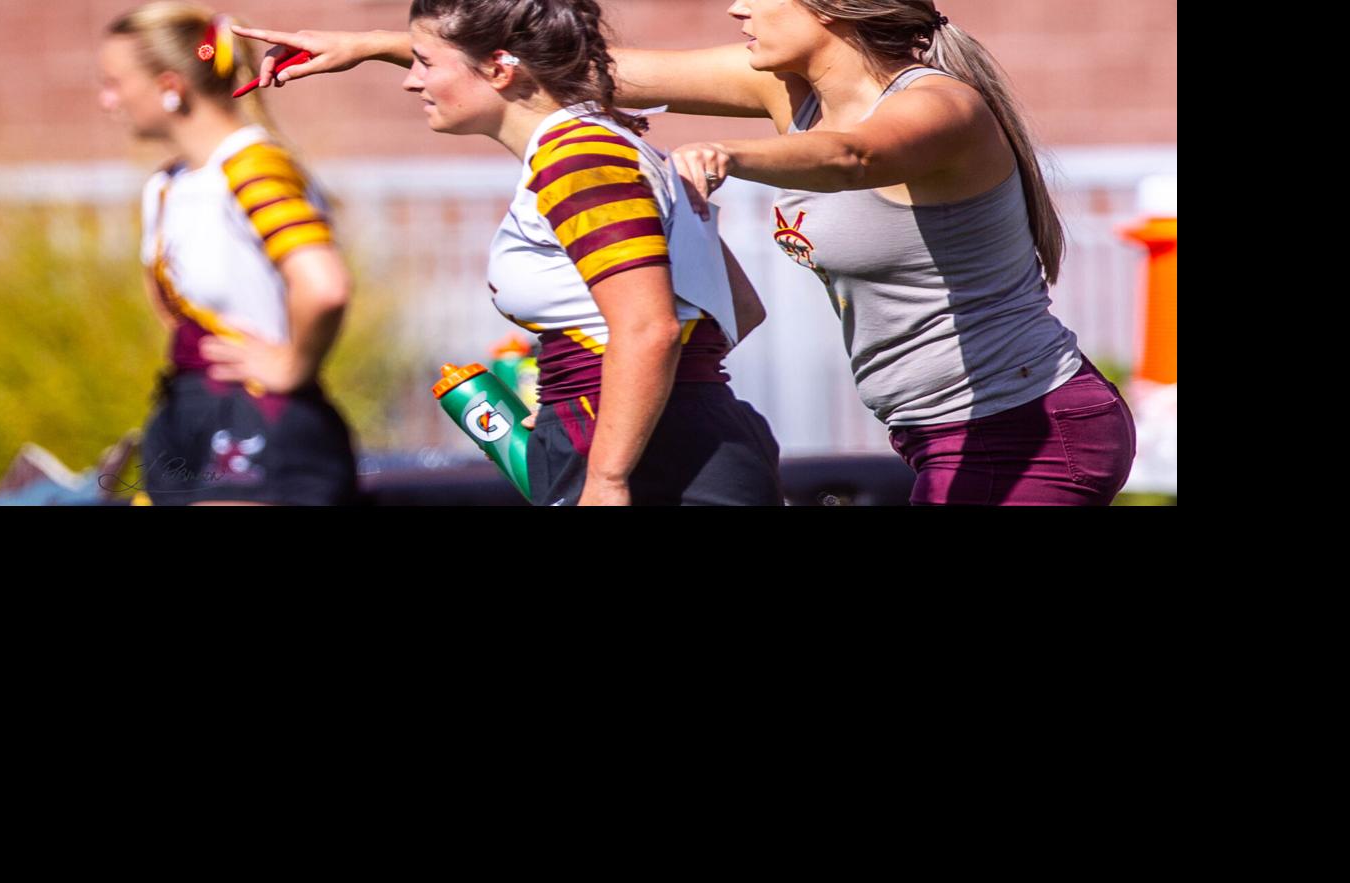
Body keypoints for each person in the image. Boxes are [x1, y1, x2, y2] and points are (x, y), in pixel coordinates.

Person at [232, 0, 1133, 505]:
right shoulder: (785, 90)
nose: (737, 7)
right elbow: (551, 71)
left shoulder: (940, 106)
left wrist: (730, 155)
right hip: (933, 432)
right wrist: (381, 47)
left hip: (1031, 425)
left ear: (829, 8)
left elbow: (857, 157)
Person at [406, 0, 782, 505]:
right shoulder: (603, 147)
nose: (411, 81)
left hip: (649, 457)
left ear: (498, 68)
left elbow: (650, 328)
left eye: (424, 62)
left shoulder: (580, 159)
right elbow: (740, 310)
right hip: (650, 433)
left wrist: (607, 475)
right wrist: (587, 396)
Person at [101, 1, 357, 505]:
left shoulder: (252, 167)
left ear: (170, 86)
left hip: (258, 421)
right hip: (186, 414)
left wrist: (294, 365)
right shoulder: (168, 184)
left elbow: (324, 286)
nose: (107, 100)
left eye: (114, 82)